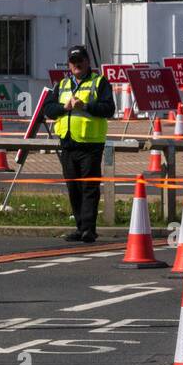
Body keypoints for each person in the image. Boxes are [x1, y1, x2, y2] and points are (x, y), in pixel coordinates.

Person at [43, 45, 115, 242]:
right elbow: (48, 109)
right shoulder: (63, 84)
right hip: (68, 143)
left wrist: (86, 106)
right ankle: (80, 227)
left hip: (90, 143)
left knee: (89, 187)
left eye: (80, 62)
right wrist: (62, 107)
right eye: (74, 63)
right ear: (69, 65)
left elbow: (109, 109)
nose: (77, 65)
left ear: (87, 62)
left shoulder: (99, 82)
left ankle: (88, 229)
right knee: (73, 187)